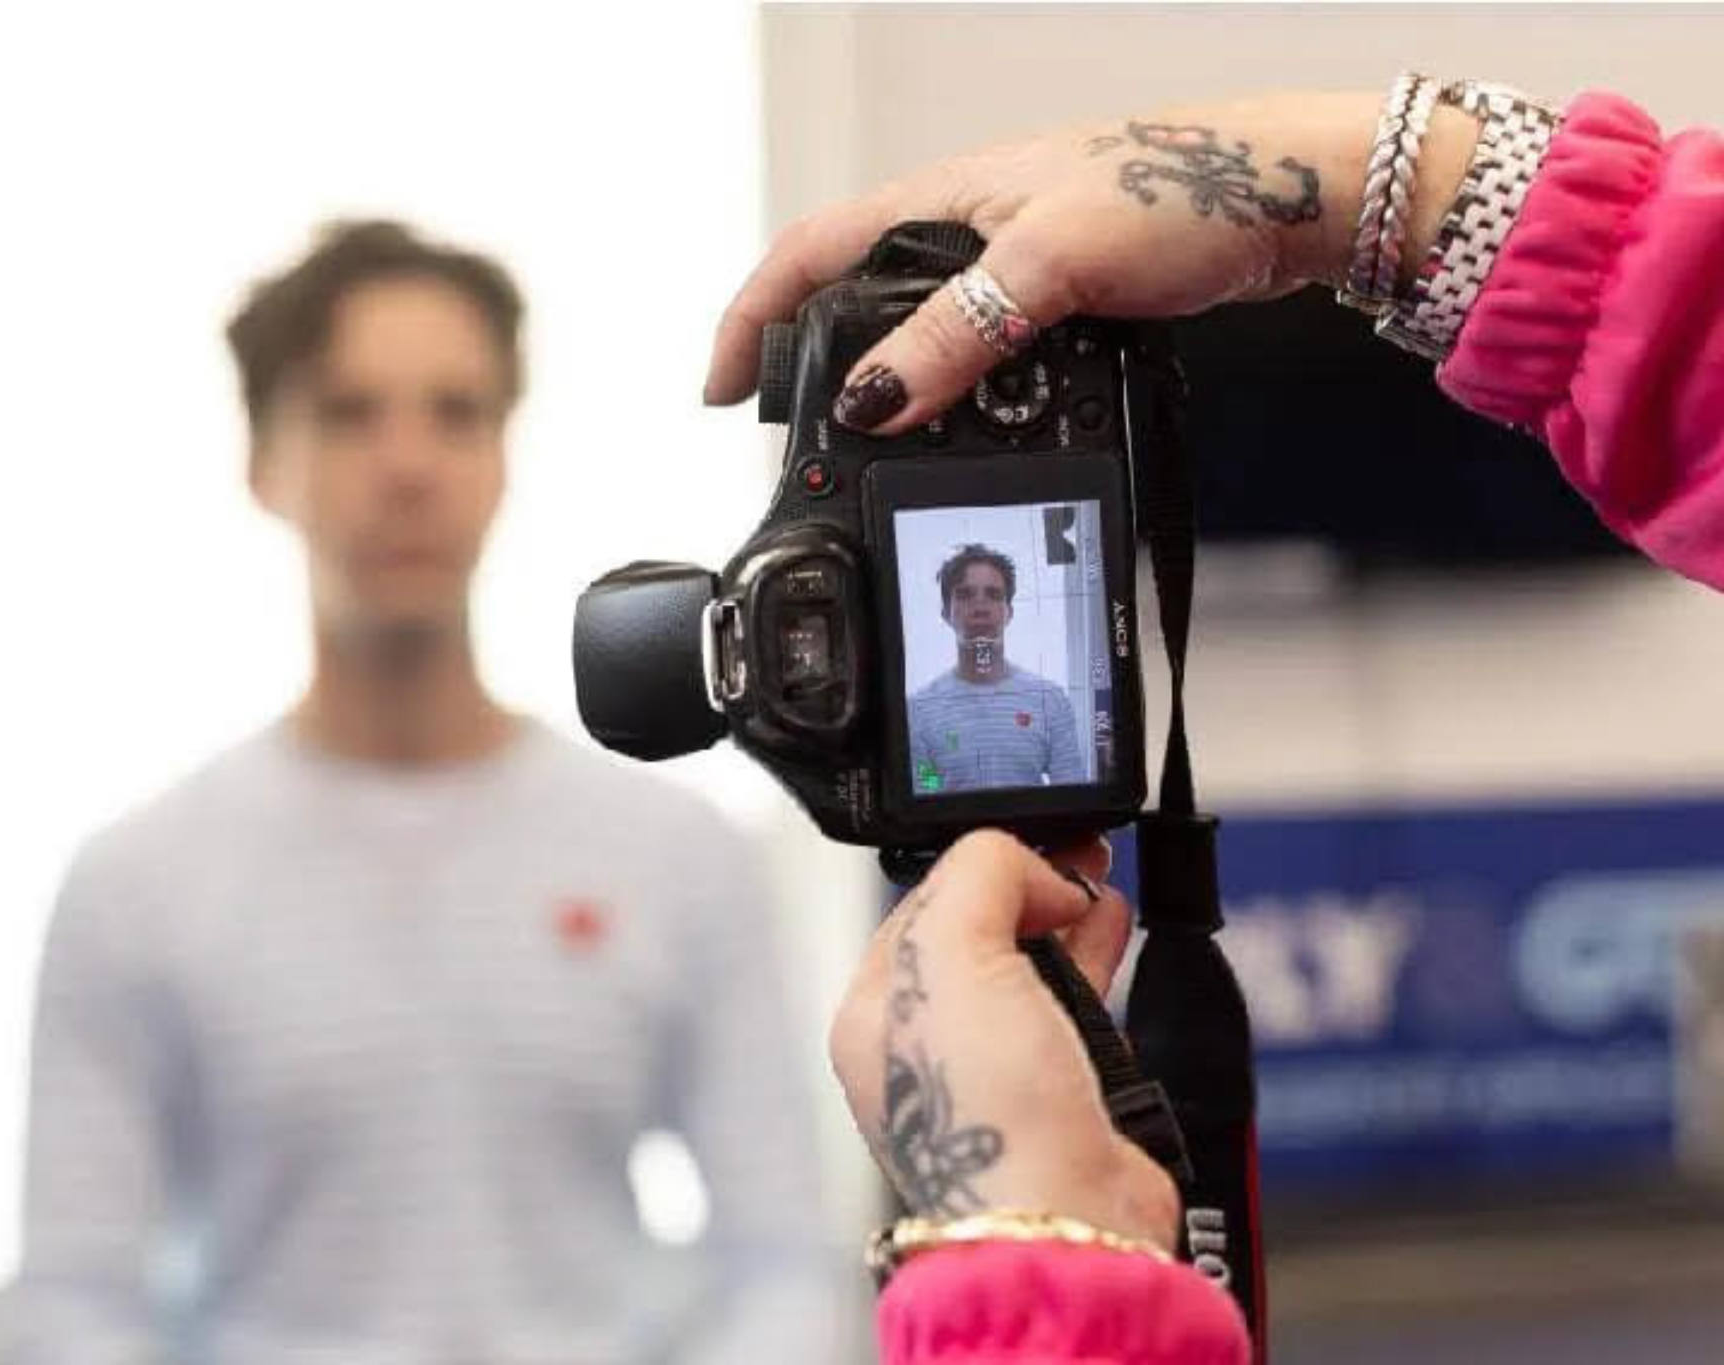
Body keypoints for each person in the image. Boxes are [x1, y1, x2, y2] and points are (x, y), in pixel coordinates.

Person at [711, 78, 1722, 1363]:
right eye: (955, 594)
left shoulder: (1030, 703)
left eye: (986, 591)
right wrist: (1384, 187)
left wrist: (1026, 1247)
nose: (970, 615)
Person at [9, 221, 841, 1364]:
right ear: (263, 461)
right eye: (349, 414)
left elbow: (783, 1263)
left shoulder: (679, 856)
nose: (407, 465)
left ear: (503, 456)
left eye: (456, 414)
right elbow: (71, 1298)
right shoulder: (136, 886)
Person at [907, 544, 1085, 795]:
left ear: (1008, 611)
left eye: (993, 594)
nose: (980, 607)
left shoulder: (1050, 700)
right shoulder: (920, 711)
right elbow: (926, 795)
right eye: (966, 595)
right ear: (946, 612)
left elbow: (1071, 798)